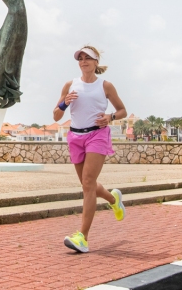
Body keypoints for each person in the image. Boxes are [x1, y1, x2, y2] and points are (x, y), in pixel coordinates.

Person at [53, 45, 127, 253]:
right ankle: (113, 199)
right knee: (89, 185)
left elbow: (122, 111)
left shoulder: (105, 86)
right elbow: (56, 116)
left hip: (97, 134)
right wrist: (63, 104)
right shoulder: (70, 85)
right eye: (80, 58)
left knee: (87, 183)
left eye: (88, 58)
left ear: (96, 62)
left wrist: (110, 117)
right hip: (75, 136)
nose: (83, 61)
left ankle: (82, 238)